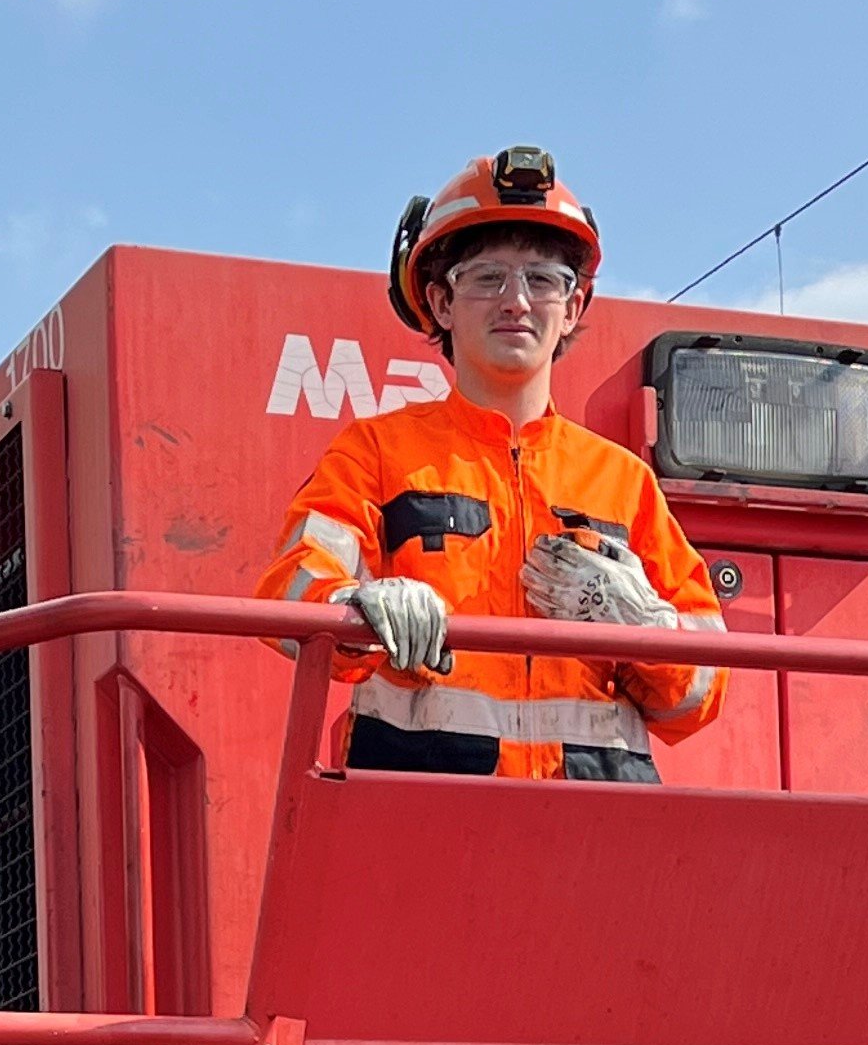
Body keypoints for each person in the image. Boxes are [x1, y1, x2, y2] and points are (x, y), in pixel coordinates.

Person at [260, 147, 727, 778]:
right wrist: (357, 605)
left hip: (596, 820)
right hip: (420, 812)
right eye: (486, 277)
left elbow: (700, 697)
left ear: (573, 308)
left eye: (543, 279)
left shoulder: (626, 483)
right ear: (441, 303)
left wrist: (645, 626)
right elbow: (290, 592)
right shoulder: (374, 453)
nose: (516, 301)